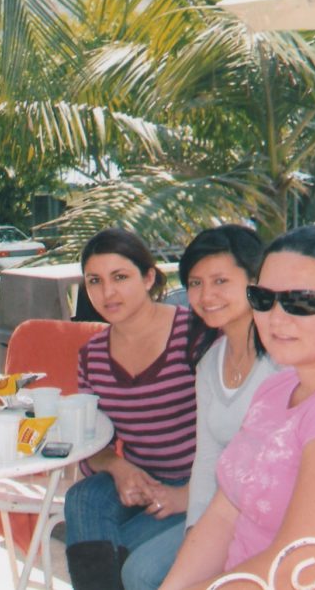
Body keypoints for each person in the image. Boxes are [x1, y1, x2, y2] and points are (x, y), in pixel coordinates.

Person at [160, 226, 315, 590]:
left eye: (301, 301)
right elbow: (225, 512)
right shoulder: (279, 387)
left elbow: (294, 567)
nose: (276, 317)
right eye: (263, 298)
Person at [122, 225, 277, 590]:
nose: (206, 295)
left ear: (255, 281)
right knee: (130, 560)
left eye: (221, 281)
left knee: (143, 573)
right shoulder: (209, 363)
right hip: (219, 512)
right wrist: (194, 533)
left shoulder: (282, 359)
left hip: (271, 519)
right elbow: (207, 459)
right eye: (195, 283)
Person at [64, 228, 205, 590]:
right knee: (83, 498)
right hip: (139, 480)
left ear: (148, 278)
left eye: (120, 277)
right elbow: (90, 441)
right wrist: (119, 468)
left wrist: (192, 490)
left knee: (115, 557)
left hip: (201, 484)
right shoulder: (92, 355)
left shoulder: (194, 334)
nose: (107, 293)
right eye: (95, 281)